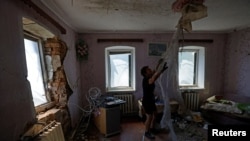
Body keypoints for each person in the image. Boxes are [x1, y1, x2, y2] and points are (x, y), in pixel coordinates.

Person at [140, 59, 168, 139]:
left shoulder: (149, 77)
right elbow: (155, 76)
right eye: (148, 70)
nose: (150, 70)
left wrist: (159, 64)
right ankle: (146, 132)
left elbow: (155, 71)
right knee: (149, 117)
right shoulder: (147, 80)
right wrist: (161, 70)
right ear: (145, 73)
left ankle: (152, 129)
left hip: (151, 100)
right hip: (147, 101)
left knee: (155, 114)